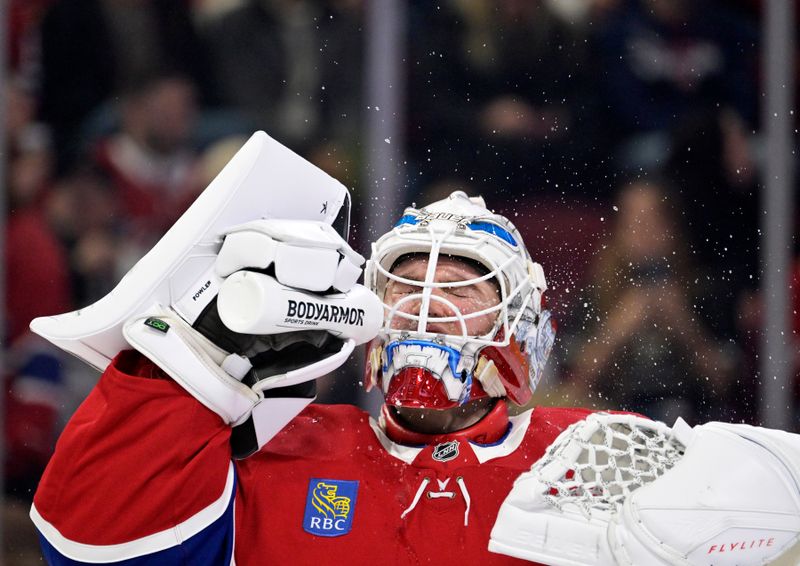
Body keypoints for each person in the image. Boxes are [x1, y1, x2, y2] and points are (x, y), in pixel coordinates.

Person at [26, 136, 800, 565]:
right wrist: (195, 366)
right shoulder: (275, 448)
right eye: (405, 283)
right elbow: (88, 543)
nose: (426, 307)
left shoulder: (596, 457)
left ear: (523, 330)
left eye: (462, 288)